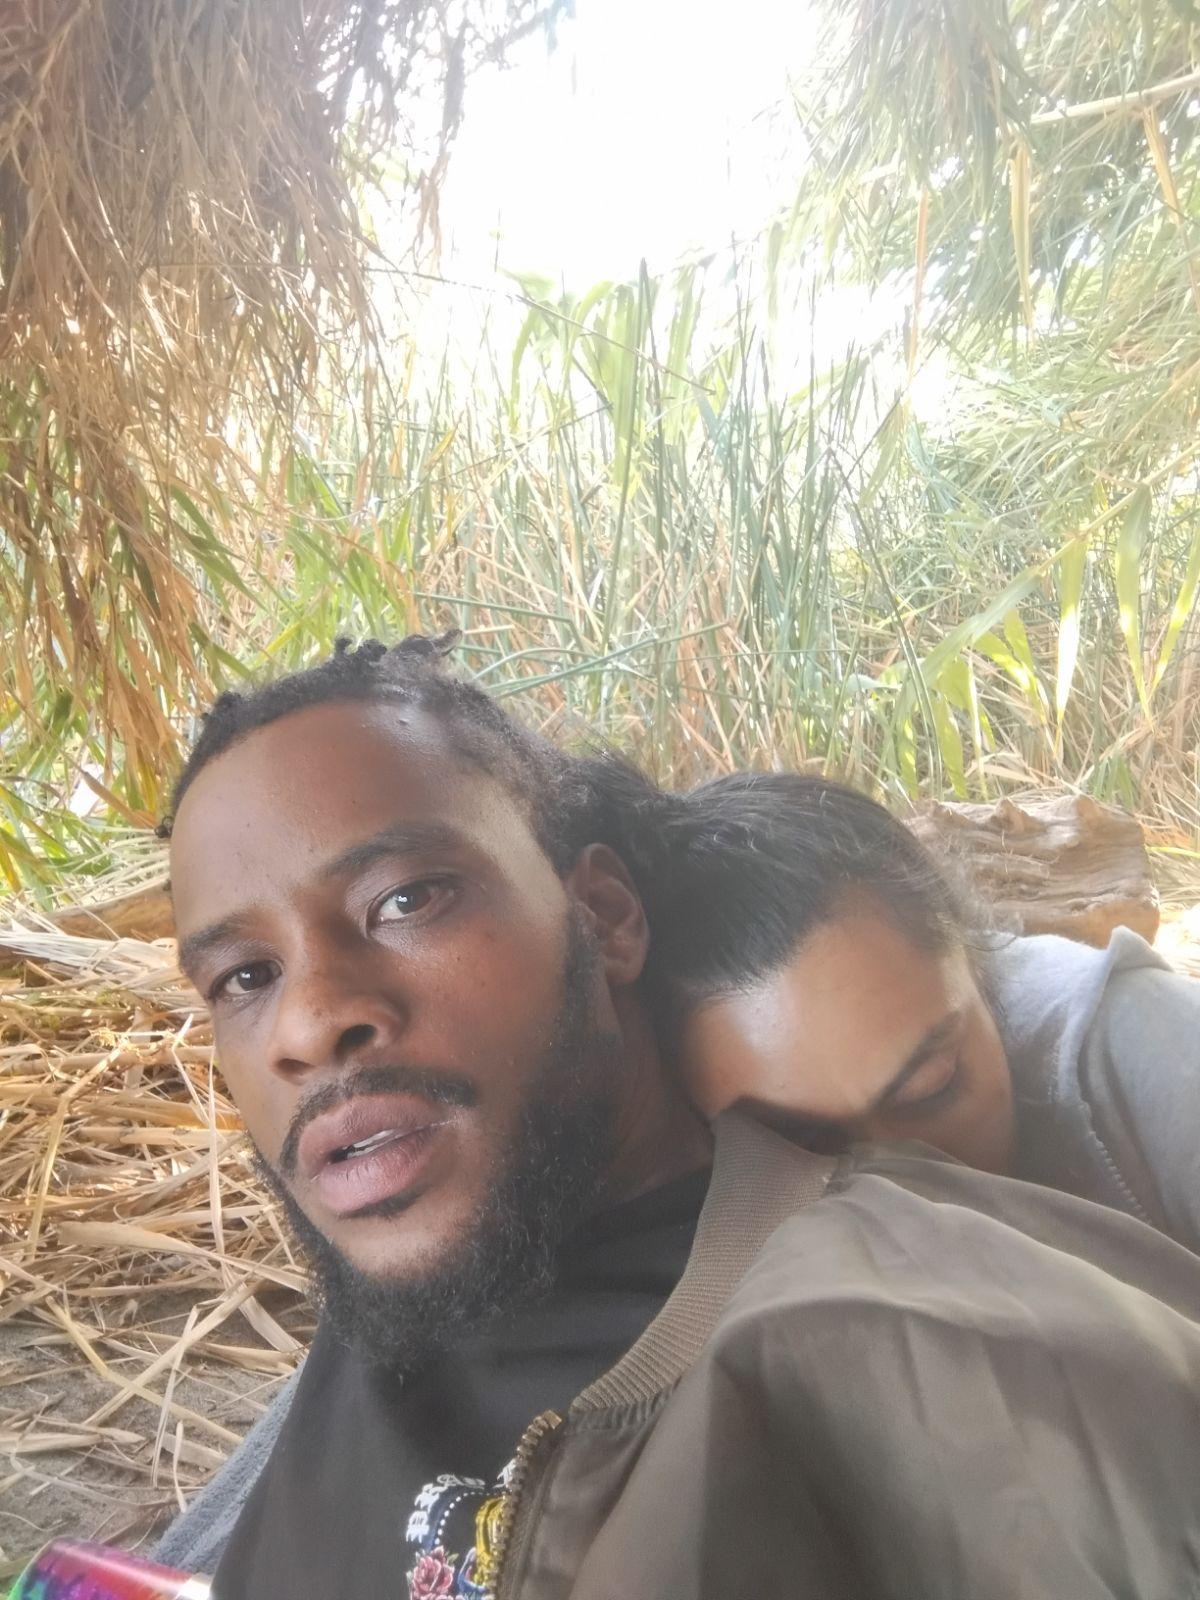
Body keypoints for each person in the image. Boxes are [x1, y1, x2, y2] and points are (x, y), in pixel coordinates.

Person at [160, 633, 1200, 1600]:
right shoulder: (398, 1294)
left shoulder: (909, 1335)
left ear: (604, 917)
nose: (308, 1024)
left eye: (406, 900)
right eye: (245, 975)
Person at [584, 761, 1200, 1250]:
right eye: (800, 1146)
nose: (902, 1194)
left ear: (978, 961)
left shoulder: (1137, 1045)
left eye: (932, 1088)